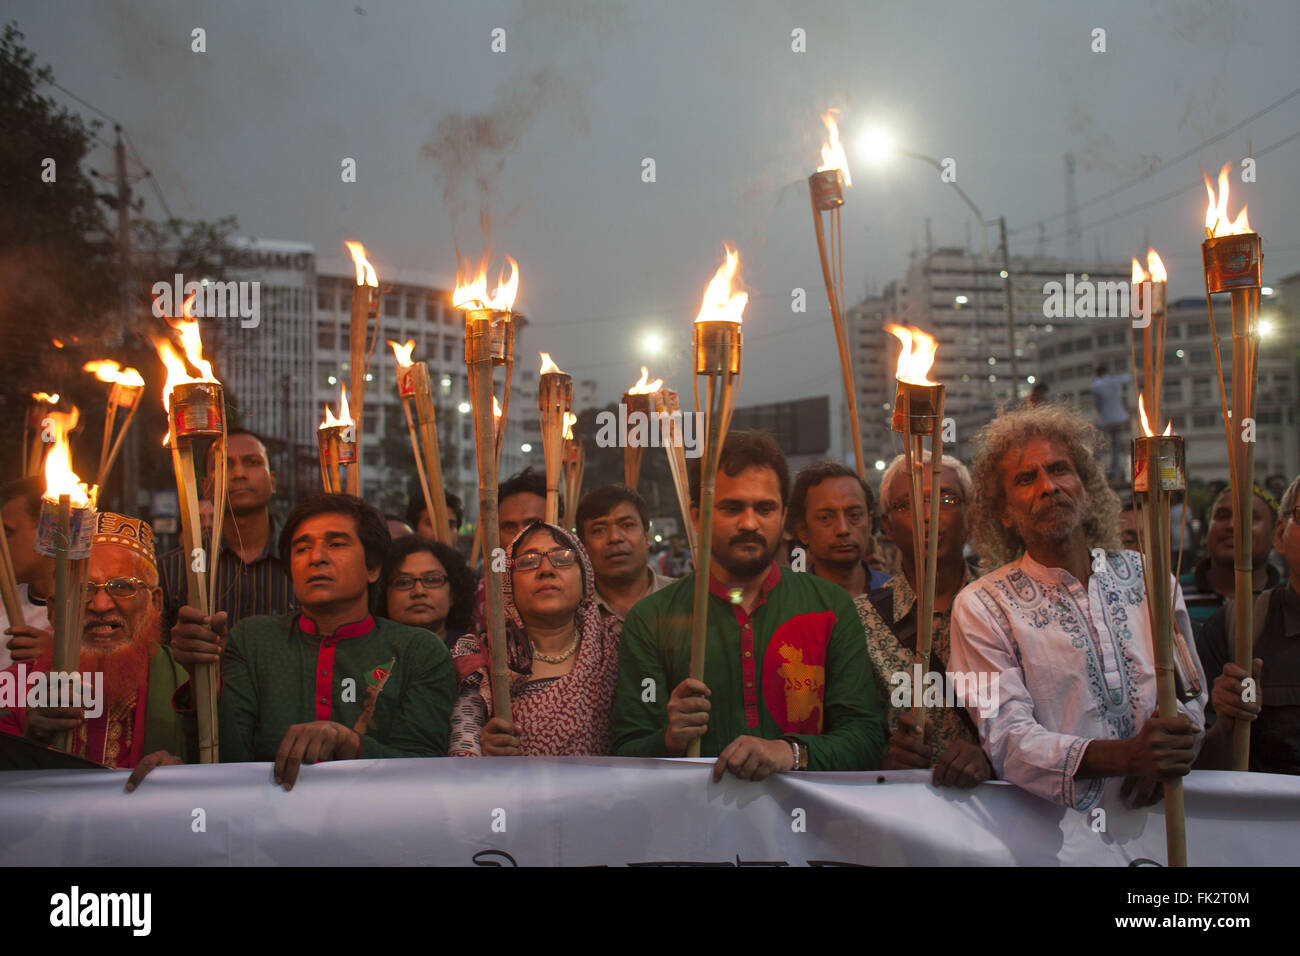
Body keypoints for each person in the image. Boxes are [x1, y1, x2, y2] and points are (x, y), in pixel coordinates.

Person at [949, 404, 1207, 812]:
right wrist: (1127, 756)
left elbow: (1191, 694)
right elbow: (1006, 739)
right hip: (1051, 838)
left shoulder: (1152, 577)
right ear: (1004, 512)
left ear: (1086, 487)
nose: (1048, 487)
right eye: (1026, 479)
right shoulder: (981, 606)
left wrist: (1176, 745)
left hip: (1161, 820)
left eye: (1060, 469)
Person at [611, 430, 884, 778]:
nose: (750, 523)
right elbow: (624, 750)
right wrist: (668, 739)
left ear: (784, 516)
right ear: (697, 516)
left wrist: (790, 752)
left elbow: (866, 738)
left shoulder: (829, 606)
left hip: (806, 826)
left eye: (765, 508)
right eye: (731, 507)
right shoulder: (653, 619)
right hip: (695, 826)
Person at [165, 494, 457, 789]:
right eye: (301, 548)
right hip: (266, 825)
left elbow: (424, 769)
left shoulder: (419, 651)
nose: (316, 557)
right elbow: (228, 766)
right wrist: (205, 681)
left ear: (373, 568)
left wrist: (350, 744)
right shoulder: (252, 640)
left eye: (336, 544)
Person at [0, 513, 192, 772]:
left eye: (122, 587)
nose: (101, 605)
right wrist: (31, 743)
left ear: (155, 603)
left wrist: (184, 775)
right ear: (54, 610)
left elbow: (227, 765)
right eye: (82, 589)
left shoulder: (189, 685)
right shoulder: (11, 689)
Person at [856, 452, 990, 787]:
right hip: (905, 820)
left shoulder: (1005, 606)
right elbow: (849, 732)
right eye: (906, 504)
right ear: (886, 524)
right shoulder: (860, 620)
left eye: (946, 499)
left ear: (971, 514)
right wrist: (884, 759)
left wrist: (994, 755)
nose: (927, 514)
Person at [449, 520, 621, 756]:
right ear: (508, 586)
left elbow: (644, 724)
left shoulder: (617, 649)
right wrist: (486, 752)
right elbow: (463, 753)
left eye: (562, 557)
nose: (546, 570)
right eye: (528, 562)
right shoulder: (482, 656)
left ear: (585, 579)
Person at [1195, 473, 1300, 775]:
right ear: (1280, 535)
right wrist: (1228, 724)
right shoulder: (1233, 627)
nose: (1233, 526)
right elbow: (1195, 772)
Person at [158, 428, 293, 634]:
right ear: (206, 487)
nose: (239, 474)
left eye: (253, 462)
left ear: (272, 481)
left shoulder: (301, 561)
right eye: (223, 464)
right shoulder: (174, 569)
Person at [1179, 485, 1280, 638]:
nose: (1232, 525)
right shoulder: (1174, 596)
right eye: (1222, 516)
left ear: (1276, 535)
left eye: (1248, 517)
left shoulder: (1290, 599)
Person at [787, 461, 888, 598]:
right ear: (803, 531)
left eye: (854, 515)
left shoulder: (897, 597)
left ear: (869, 523)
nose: (843, 529)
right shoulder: (792, 606)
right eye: (825, 518)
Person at [576, 484, 673, 622]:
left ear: (646, 537)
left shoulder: (686, 600)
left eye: (627, 525)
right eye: (599, 530)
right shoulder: (572, 613)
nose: (615, 538)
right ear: (583, 546)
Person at [470, 469, 549, 633]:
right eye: (509, 527)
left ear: (559, 525)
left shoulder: (577, 586)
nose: (520, 536)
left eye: (532, 524)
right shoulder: (483, 595)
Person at [378, 535, 475, 648]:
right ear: (383, 594)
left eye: (432, 580)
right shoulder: (370, 654)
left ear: (452, 594)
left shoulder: (475, 654)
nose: (419, 591)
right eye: (403, 582)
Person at [0, 478, 54, 670]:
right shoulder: (3, 606)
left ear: (49, 531)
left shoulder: (97, 607)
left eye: (8, 533)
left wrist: (62, 656)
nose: (2, 547)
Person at [1090, 363, 1130, 480]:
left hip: (1106, 419)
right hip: (1120, 417)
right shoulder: (1115, 380)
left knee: (1100, 444)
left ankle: (1097, 469)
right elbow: (1129, 377)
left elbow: (1097, 404)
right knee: (1116, 444)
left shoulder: (1096, 385)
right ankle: (1115, 470)